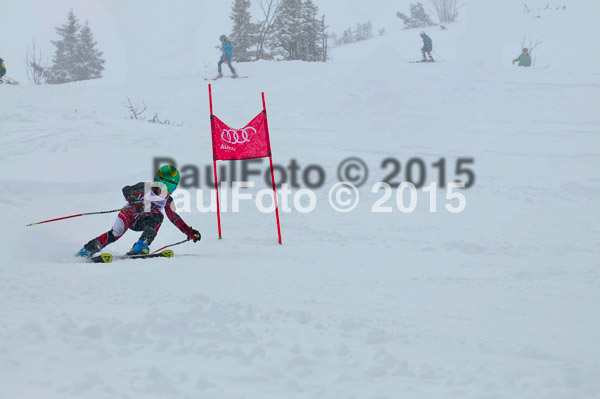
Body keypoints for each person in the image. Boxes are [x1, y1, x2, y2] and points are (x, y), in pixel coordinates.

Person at [76, 165, 201, 258]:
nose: (166, 190)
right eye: (164, 185)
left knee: (158, 216)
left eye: (171, 187)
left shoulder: (167, 200)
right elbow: (127, 190)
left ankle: (140, 246)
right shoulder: (146, 188)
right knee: (115, 234)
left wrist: (189, 232)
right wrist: (133, 199)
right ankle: (87, 250)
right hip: (129, 215)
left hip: (143, 222)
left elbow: (174, 218)